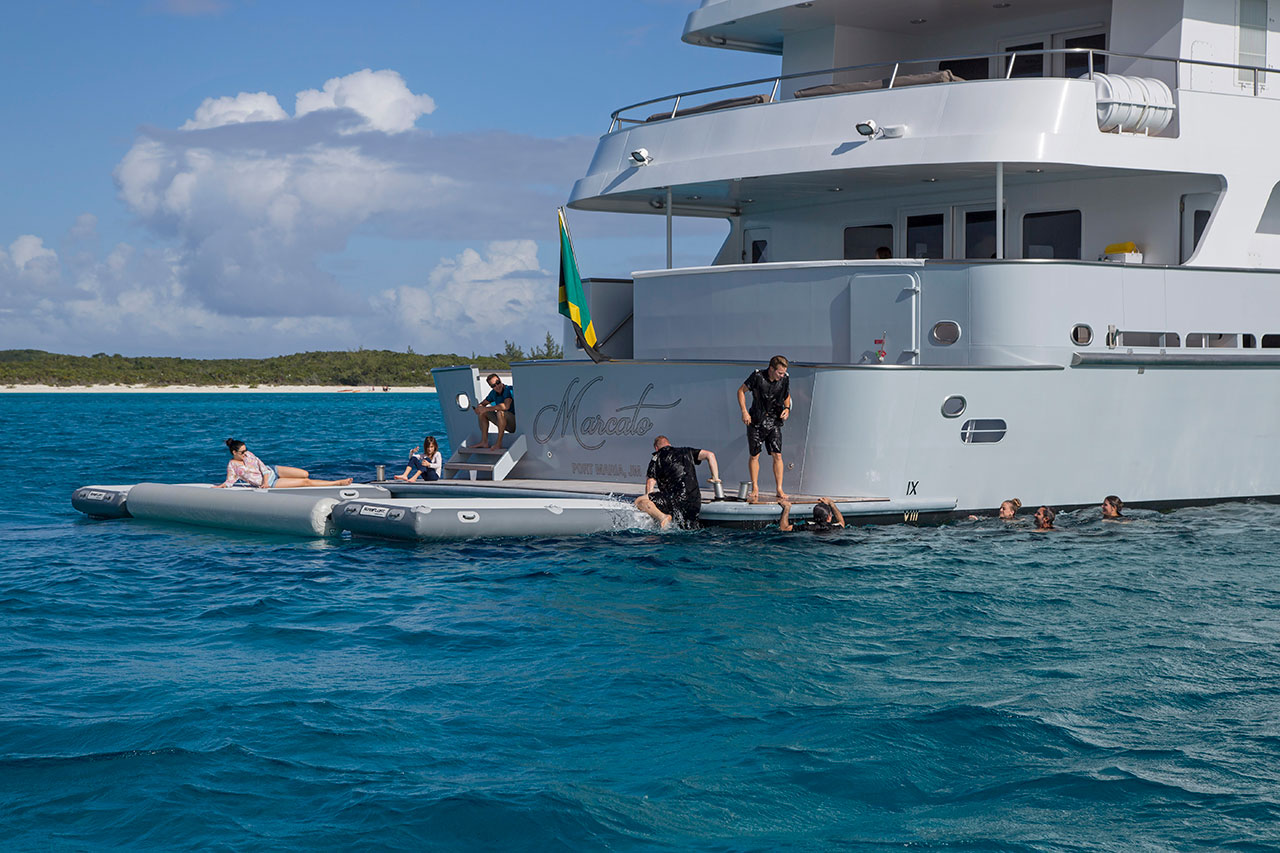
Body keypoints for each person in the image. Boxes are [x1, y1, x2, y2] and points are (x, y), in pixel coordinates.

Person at [737, 354, 792, 502]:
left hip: (774, 420)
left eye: (783, 373)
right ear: (771, 369)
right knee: (755, 454)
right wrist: (744, 412)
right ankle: (755, 487)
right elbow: (741, 391)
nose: (782, 376)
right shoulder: (757, 376)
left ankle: (779, 488)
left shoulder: (784, 379)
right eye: (779, 373)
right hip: (756, 420)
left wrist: (787, 408)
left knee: (777, 454)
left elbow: (786, 395)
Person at [635, 435, 720, 529]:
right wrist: (715, 477)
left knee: (639, 501)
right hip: (695, 502)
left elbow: (650, 482)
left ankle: (662, 517)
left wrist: (650, 504)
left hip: (675, 499)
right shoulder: (686, 451)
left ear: (656, 448)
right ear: (670, 444)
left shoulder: (656, 457)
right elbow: (710, 455)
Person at [216, 439, 352, 489]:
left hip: (272, 471)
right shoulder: (232, 465)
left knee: (305, 474)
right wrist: (220, 486)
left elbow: (263, 468)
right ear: (234, 452)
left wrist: (265, 481)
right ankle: (337, 483)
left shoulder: (249, 454)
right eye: (242, 452)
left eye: (246, 450)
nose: (245, 453)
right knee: (306, 482)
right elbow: (230, 481)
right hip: (272, 483)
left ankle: (329, 482)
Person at [475, 373, 516, 450]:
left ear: (500, 380)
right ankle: (484, 442)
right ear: (491, 387)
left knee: (500, 412)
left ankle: (498, 444)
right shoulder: (493, 393)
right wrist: (479, 408)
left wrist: (487, 409)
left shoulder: (508, 389)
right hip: (503, 422)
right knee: (483, 413)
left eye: (498, 382)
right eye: (493, 385)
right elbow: (483, 403)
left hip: (515, 423)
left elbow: (506, 406)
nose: (497, 386)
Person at [778, 496, 846, 532]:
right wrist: (832, 504)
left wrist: (787, 508)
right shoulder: (834, 528)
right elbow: (842, 523)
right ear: (829, 517)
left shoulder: (807, 527)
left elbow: (784, 528)